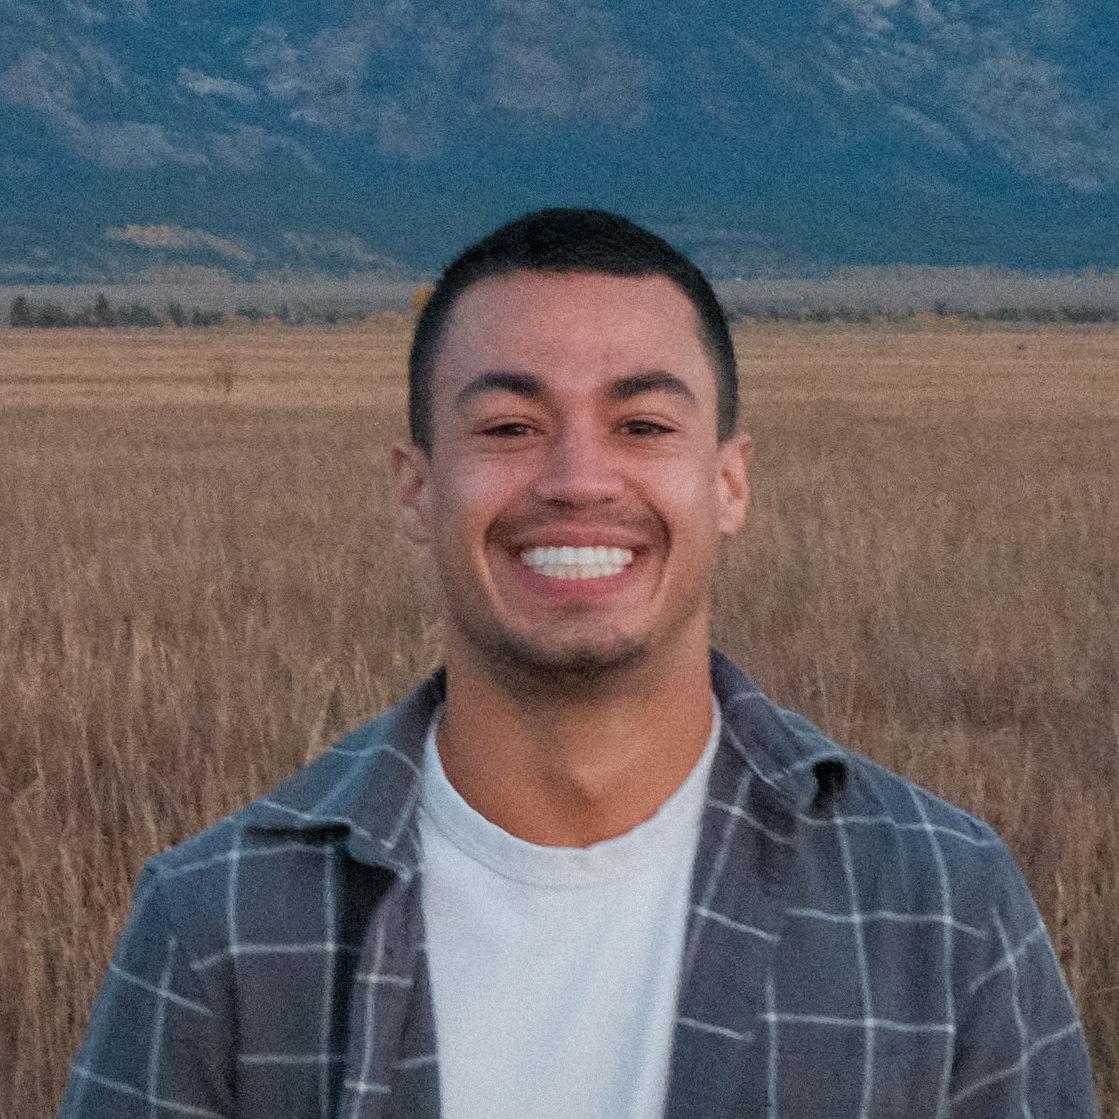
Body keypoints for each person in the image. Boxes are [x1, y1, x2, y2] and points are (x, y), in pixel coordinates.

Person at [59, 208, 1098, 1119]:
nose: (577, 479)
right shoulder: (223, 922)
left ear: (729, 484)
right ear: (416, 488)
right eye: (510, 426)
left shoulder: (941, 907)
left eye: (641, 424)